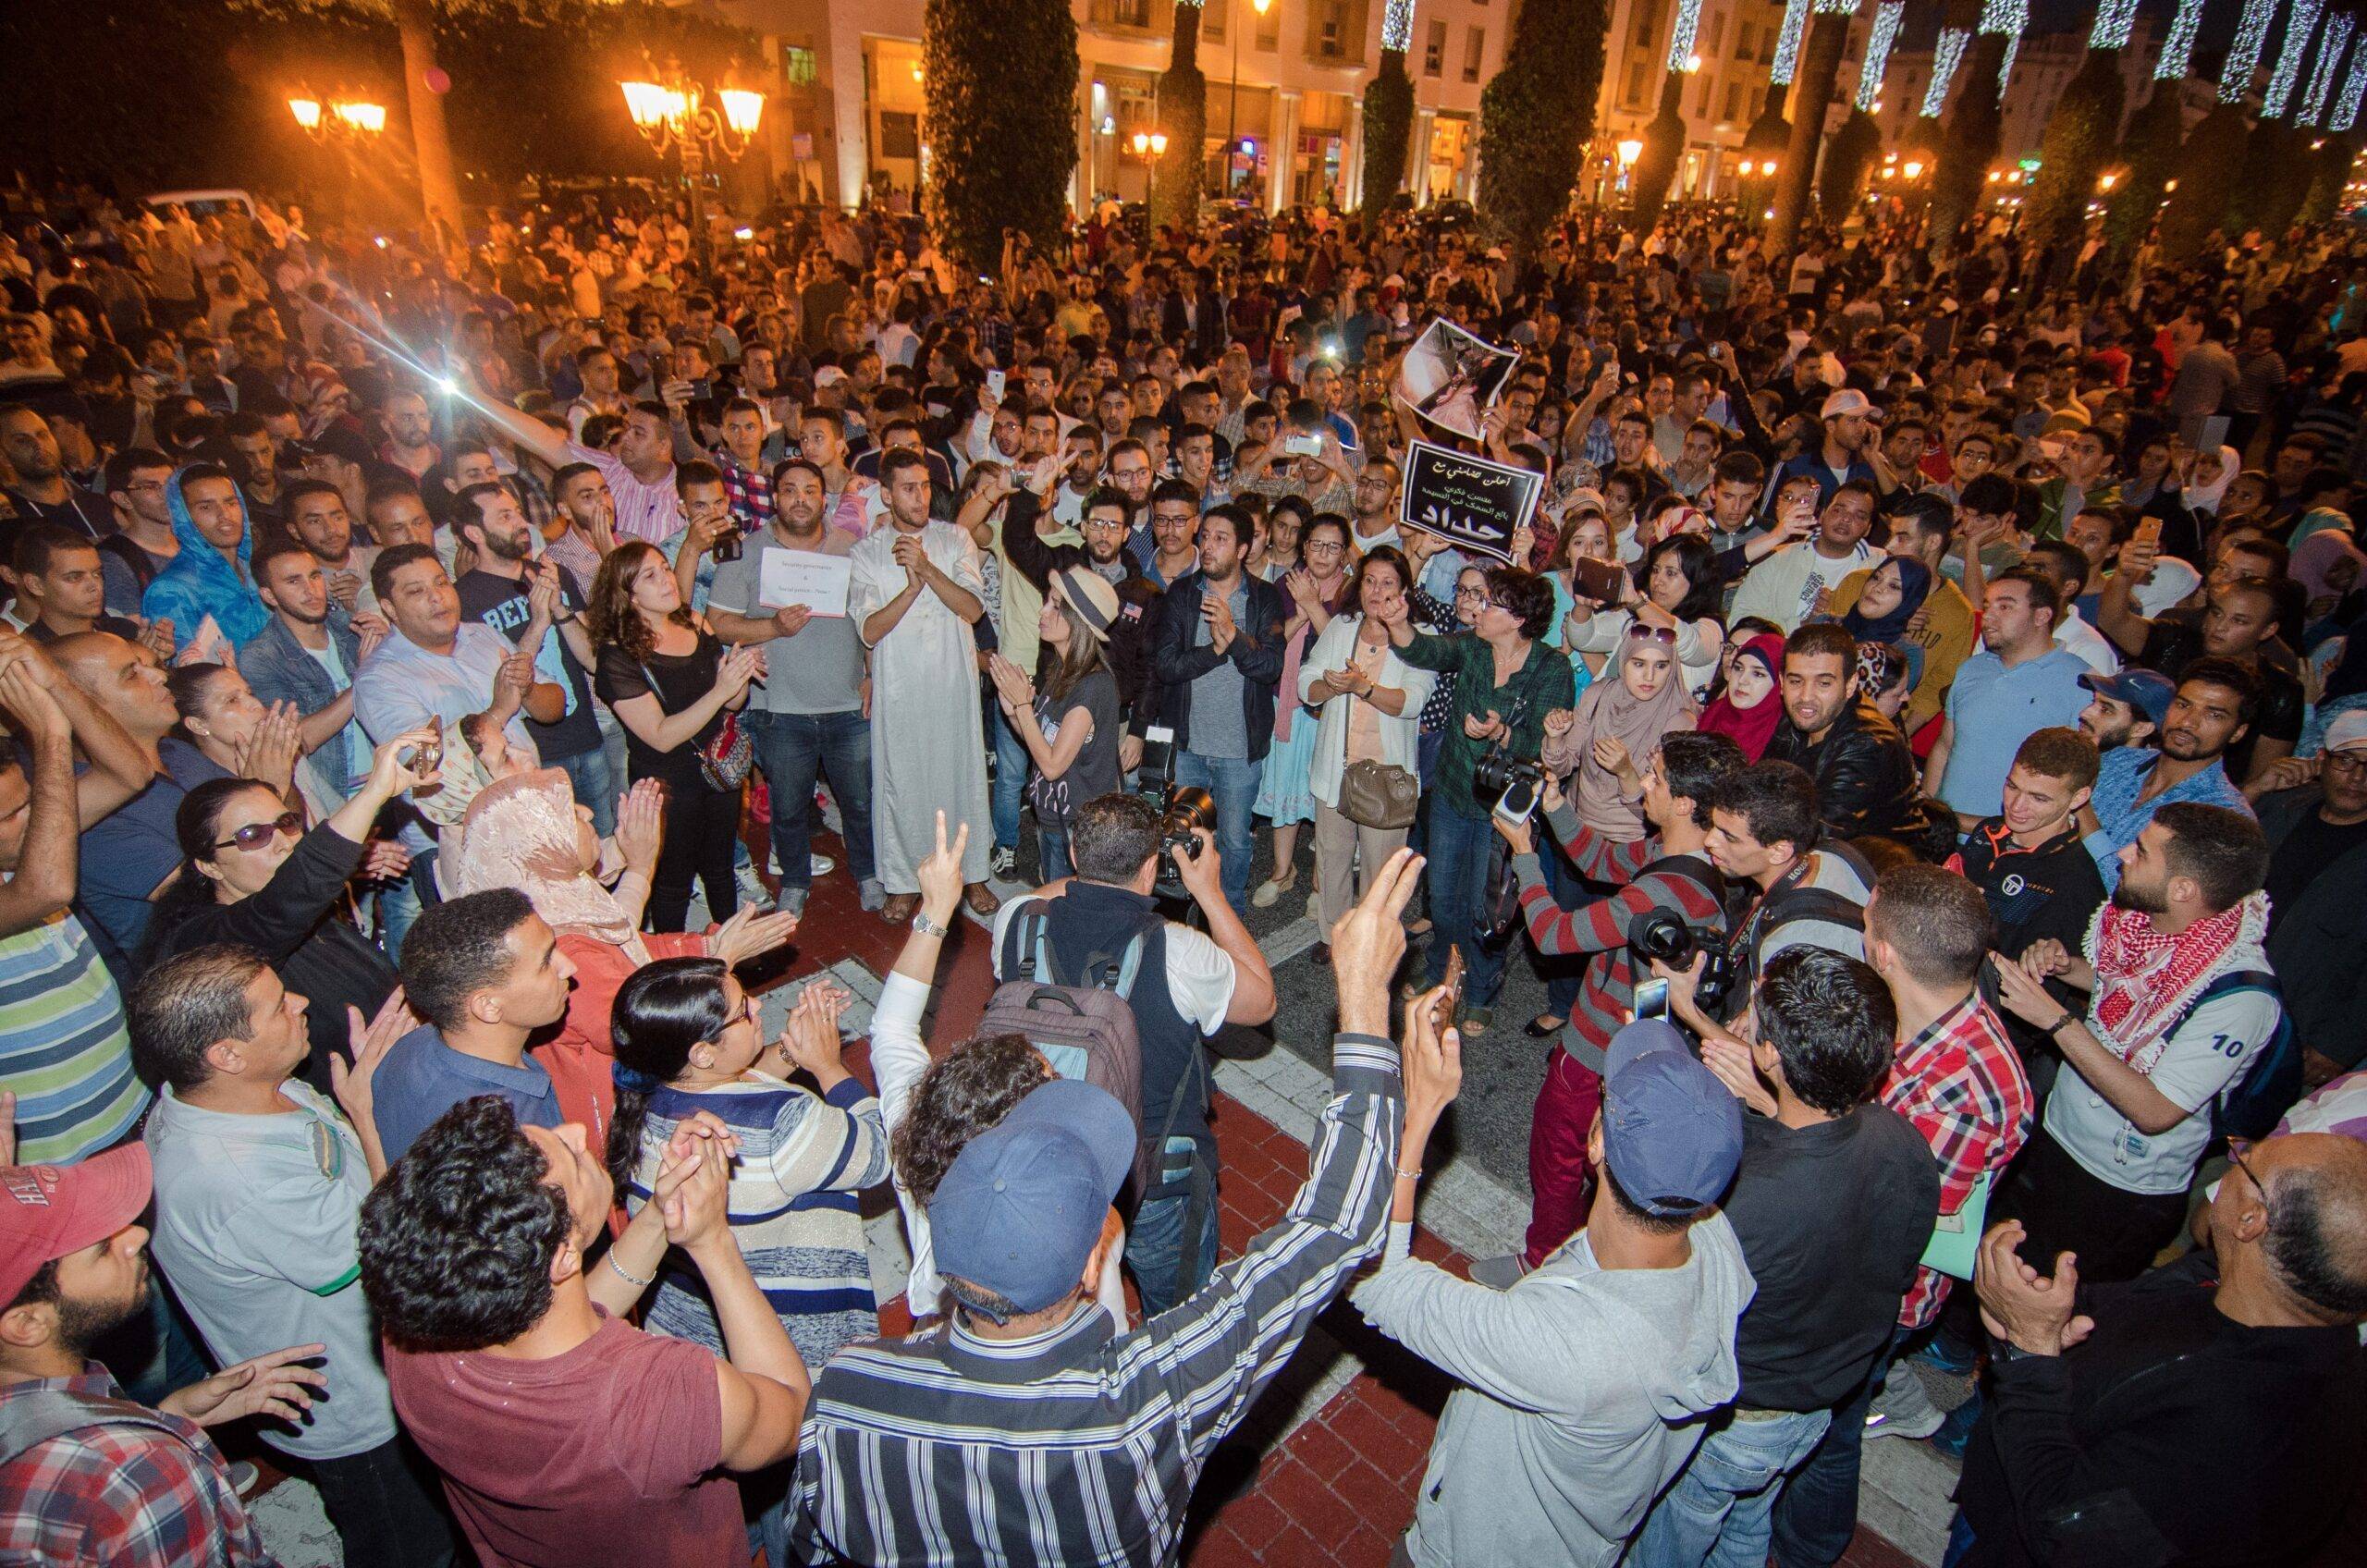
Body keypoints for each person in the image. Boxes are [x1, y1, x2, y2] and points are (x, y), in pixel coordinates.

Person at [788, 853, 1421, 1565]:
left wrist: (934, 914)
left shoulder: (846, 1394)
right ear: (1095, 1260)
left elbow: (808, 1545)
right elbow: (1333, 1230)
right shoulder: (1141, 1409)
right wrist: (1366, 1005)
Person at [1352, 1013, 1749, 1568]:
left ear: (1595, 1141)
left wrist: (1415, 1117)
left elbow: (1379, 1280)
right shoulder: (1717, 1243)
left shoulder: (1566, 1344)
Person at [358, 1095, 811, 1567]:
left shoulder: (415, 1330)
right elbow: (791, 1412)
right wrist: (713, 1241)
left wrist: (660, 1215)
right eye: (570, 1156)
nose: (575, 1130)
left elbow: (565, 1319)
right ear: (564, 1257)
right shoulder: (659, 1397)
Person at [131, 951, 460, 1568]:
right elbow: (380, 1246)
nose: (302, 1003)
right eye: (279, 1006)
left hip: (366, 1363)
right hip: (354, 1406)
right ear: (226, 1055)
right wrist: (366, 1110)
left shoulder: (239, 1089)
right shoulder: (235, 1177)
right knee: (406, 1542)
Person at [1632, 948, 1939, 1568]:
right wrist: (1768, 1106)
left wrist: (1654, 1002)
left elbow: (1661, 1301)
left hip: (1735, 1415)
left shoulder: (1744, 1193)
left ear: (1768, 1055)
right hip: (1820, 1398)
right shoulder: (1904, 1143)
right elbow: (1896, 1265)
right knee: (1748, 1521)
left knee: (1676, 1530)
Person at [1949, 1132, 2367, 1567]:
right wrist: (2040, 1318)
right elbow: (2123, 1320)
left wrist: (2032, 1354)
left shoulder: (2251, 1435)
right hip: (2005, 1488)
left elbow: (2065, 1537)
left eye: (2248, 1159)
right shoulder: (2238, 1284)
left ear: (2252, 1220)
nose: (2236, 1157)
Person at [989, 791, 1277, 1311]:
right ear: (1152, 866)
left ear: (1075, 855)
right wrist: (1208, 891)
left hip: (1046, 1160)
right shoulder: (1181, 950)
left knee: (1062, 1306)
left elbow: (1049, 893)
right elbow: (1261, 1001)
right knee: (1179, 1322)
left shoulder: (1016, 922)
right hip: (1153, 1178)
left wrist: (1095, 866)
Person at [0, 1133, 326, 1567]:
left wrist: (172, 1419)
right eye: (101, 1248)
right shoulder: (140, 1475)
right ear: (26, 1325)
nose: (135, 1235)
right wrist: (155, 1441)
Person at [1990, 802, 2280, 1283]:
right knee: (2009, 1259)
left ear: (2184, 889)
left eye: (2142, 852)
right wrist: (2069, 969)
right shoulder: (2139, 926)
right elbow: (2120, 991)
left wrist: (2055, 1020)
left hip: (2119, 1186)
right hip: (2056, 1132)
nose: (2123, 852)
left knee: (2060, 1298)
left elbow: (2155, 1110)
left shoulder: (2242, 997)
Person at [1490, 731, 1740, 1280]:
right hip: (1645, 1036)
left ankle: (1542, 1264)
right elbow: (1599, 858)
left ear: (1684, 803)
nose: (1642, 784)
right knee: (1606, 1163)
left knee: (1559, 1154)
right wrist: (1554, 803)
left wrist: (1525, 855)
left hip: (1601, 1045)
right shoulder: (1691, 858)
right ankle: (1593, 1249)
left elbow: (1554, 935)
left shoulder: (1662, 893)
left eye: (1655, 777)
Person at [607, 957, 887, 1374]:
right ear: (702, 1053)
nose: (758, 1007)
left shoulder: (649, 1093)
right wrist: (828, 1066)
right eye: (742, 1011)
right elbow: (881, 1152)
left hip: (687, 1330)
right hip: (784, 1340)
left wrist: (793, 1050)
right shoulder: (784, 1122)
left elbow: (740, 1083)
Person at [139, 729, 430, 1089]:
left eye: (287, 823)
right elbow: (285, 903)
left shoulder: (306, 907)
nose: (282, 842)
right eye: (252, 836)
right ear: (209, 865)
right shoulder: (207, 944)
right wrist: (373, 793)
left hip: (412, 1063)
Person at [1389, 565, 1576, 1033]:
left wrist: (1502, 732)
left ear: (1516, 619)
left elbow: (1548, 745)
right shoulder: (1472, 647)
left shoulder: (1550, 668)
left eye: (1489, 602)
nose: (1476, 607)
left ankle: (1479, 990)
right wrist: (1396, 623)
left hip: (1503, 810)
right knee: (1445, 897)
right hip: (1454, 791)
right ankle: (1438, 969)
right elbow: (1428, 649)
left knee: (1484, 907)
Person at [707, 457, 880, 916]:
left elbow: (868, 621)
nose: (800, 499)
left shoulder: (851, 548)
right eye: (789, 489)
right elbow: (718, 623)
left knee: (860, 804)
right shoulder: (746, 551)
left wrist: (870, 675)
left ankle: (868, 873)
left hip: (847, 705)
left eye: (809, 490)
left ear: (824, 498)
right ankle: (796, 882)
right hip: (779, 708)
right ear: (775, 498)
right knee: (787, 807)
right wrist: (774, 629)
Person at [0, 643, 151, 1166]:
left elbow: (131, 773)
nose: (35, 818)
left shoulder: (29, 846)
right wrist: (49, 736)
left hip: (128, 1104)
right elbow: (45, 891)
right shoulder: (37, 872)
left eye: (29, 802)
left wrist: (57, 687)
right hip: (53, 1159)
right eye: (11, 815)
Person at [850, 447, 996, 923]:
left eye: (926, 485)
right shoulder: (867, 552)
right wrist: (910, 587)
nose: (920, 496)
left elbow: (973, 610)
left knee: (963, 775)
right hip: (899, 690)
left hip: (953, 682)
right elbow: (869, 630)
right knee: (902, 783)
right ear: (886, 494)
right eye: (908, 488)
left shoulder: (954, 539)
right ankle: (903, 880)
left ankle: (973, 874)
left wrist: (928, 570)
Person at [587, 539, 762, 931]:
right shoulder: (618, 657)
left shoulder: (695, 623)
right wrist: (721, 689)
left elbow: (732, 706)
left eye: (665, 568)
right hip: (667, 785)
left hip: (717, 771)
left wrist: (740, 674)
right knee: (672, 881)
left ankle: (727, 953)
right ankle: (674, 972)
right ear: (628, 596)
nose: (668, 579)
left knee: (720, 867)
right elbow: (661, 736)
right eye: (651, 576)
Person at [1146, 502, 1290, 917]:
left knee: (1235, 841)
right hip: (1188, 746)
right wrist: (1214, 650)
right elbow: (1167, 665)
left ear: (1243, 549)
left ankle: (1228, 917)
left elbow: (1270, 666)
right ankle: (1184, 911)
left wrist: (1234, 635)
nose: (1207, 545)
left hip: (1239, 751)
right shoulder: (1182, 594)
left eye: (1220, 538)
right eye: (1205, 535)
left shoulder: (1264, 599)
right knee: (1183, 836)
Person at [450, 482, 615, 837]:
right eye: (505, 516)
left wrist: (559, 610)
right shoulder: (463, 601)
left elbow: (593, 660)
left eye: (519, 513)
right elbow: (497, 682)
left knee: (604, 848)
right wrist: (539, 622)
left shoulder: (552, 573)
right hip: (531, 755)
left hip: (586, 738)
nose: (520, 522)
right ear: (474, 532)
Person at [366, 888, 580, 1161]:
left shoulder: (410, 1046)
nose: (570, 967)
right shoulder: (506, 1138)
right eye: (545, 962)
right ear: (488, 1006)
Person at [1300, 545, 1438, 936]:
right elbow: (1306, 680)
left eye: (1388, 584)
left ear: (1404, 591)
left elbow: (1412, 702)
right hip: (1334, 773)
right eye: (1370, 581)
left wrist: (1363, 687)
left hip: (1387, 779)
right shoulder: (1343, 627)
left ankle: (1372, 945)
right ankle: (1333, 937)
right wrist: (1327, 687)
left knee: (1380, 874)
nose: (1377, 592)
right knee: (1332, 865)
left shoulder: (1420, 637)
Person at [986, 569, 1127, 880]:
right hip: (1052, 818)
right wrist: (1013, 712)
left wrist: (1023, 705)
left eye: (1055, 605)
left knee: (1069, 915)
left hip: (1079, 829)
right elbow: (1043, 741)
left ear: (1078, 621)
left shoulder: (1094, 685)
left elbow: (1052, 765)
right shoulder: (1060, 667)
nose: (1043, 612)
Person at [1926, 570, 2093, 828]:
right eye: (1987, 606)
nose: (1989, 616)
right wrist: (1927, 809)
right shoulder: (1972, 669)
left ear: (2042, 615)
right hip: (1945, 834)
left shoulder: (2082, 682)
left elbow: (2082, 780)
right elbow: (1945, 745)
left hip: (2011, 847)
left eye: (2004, 606)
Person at [2258, 711, 2367, 1085]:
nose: (2357, 778)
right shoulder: (2282, 807)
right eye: (2346, 760)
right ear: (2322, 760)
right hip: (2219, 991)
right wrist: (2257, 787)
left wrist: (2339, 1044)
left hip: (2297, 1028)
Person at [1250, 514, 1353, 910]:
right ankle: (1281, 871)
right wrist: (1302, 609)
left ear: (1344, 552)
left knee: (1324, 799)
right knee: (1286, 788)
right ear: (1304, 546)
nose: (1322, 554)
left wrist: (1313, 603)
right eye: (1316, 544)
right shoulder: (1283, 584)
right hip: (1286, 703)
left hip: (1328, 709)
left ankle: (1318, 884)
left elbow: (1344, 651)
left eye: (1332, 547)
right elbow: (1271, 638)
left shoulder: (1353, 591)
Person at [2079, 659, 2256, 888]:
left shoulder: (2224, 816)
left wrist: (2083, 812)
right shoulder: (2116, 761)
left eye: (2213, 715)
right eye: (2183, 705)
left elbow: (2143, 899)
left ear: (2237, 732)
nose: (2188, 722)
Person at [1761, 622, 1932, 851]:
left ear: (1850, 685)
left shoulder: (1867, 742)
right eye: (1796, 681)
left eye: (1823, 683)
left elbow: (1821, 835)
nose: (1806, 696)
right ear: (1782, 683)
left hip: (1878, 874)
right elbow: (1762, 790)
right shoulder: (1799, 716)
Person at [239, 539, 380, 801]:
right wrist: (365, 677)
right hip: (338, 797)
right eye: (294, 581)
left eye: (314, 576)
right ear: (269, 595)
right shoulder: (260, 658)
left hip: (390, 779)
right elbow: (301, 738)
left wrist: (394, 644)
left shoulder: (350, 627)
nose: (311, 590)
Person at [1825, 493, 1977, 735]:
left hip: (1884, 730)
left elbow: (1939, 683)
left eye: (1902, 537)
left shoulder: (1957, 612)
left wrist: (1897, 734)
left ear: (1933, 542)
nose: (1889, 546)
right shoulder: (1860, 584)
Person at [1541, 619, 1699, 842]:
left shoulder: (1680, 722)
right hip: (1576, 831)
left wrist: (1625, 772)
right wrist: (1555, 738)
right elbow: (1560, 769)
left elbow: (1658, 813)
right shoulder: (1598, 694)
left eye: (1661, 665)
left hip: (1629, 846)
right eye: (1639, 663)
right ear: (1623, 660)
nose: (1649, 676)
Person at [139, 464, 267, 649]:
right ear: (183, 515)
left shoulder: (256, 569)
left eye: (231, 503)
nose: (224, 515)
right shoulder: (172, 589)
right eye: (206, 507)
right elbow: (189, 670)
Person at [1729, 478, 1880, 632]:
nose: (1846, 519)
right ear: (1822, 514)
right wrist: (1803, 624)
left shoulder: (1880, 568)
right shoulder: (1775, 557)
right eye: (1838, 510)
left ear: (1868, 528)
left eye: (1860, 516)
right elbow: (1741, 619)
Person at [10, 526, 142, 645]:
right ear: (36, 585)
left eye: (97, 573)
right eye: (74, 578)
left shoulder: (123, 631)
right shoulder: (32, 655)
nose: (95, 586)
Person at [1698, 630, 1784, 759]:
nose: (1742, 680)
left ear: (1778, 684)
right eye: (1738, 668)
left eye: (1758, 674)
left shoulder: (1784, 738)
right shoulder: (1714, 713)